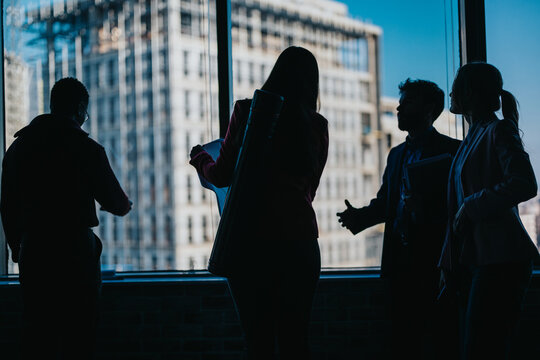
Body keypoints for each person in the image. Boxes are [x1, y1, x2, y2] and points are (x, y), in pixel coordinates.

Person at [189, 46, 328, 360]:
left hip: (252, 242)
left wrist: (200, 158)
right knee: (296, 342)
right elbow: (311, 189)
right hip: (301, 243)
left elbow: (221, 175)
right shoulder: (317, 126)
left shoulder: (248, 111)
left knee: (258, 344)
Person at [1, 77, 132, 360]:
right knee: (79, 336)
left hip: (34, 253)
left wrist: (17, 248)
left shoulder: (17, 149)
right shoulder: (87, 149)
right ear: (80, 108)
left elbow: (7, 207)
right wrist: (125, 204)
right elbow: (116, 203)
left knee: (38, 334)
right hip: (76, 254)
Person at [337, 79, 461, 359]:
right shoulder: (396, 155)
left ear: (430, 109)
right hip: (399, 267)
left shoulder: (453, 151)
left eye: (408, 102)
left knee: (442, 340)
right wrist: (360, 217)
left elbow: (458, 209)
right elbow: (386, 204)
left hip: (437, 265)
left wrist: (425, 210)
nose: (399, 107)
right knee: (403, 341)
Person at [439, 62, 538, 359]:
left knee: (482, 349)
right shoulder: (470, 140)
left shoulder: (499, 130)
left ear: (469, 91)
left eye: (457, 84)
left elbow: (524, 184)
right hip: (478, 261)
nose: (451, 92)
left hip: (500, 260)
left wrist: (472, 205)